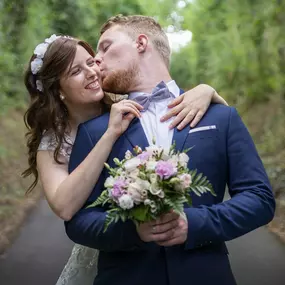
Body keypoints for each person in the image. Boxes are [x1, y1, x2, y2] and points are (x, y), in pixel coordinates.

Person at [65, 15, 275, 285]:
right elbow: (78, 222)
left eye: (105, 46)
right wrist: (132, 231)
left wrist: (194, 223)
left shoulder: (221, 117)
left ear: (141, 43)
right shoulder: (96, 131)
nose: (97, 60)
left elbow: (259, 199)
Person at [23, 34, 227, 285]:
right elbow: (64, 206)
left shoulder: (127, 105)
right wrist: (109, 135)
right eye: (76, 71)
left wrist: (207, 90)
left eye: (91, 62)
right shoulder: (54, 140)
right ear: (58, 90)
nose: (91, 72)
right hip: (105, 248)